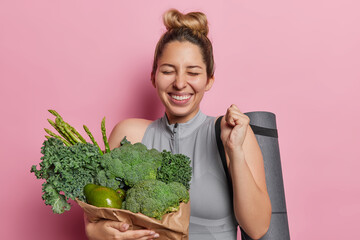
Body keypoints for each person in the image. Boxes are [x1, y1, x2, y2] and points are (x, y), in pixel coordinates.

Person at [85, 8, 271, 240]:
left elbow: (257, 228)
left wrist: (235, 151)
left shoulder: (231, 134)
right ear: (153, 76)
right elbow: (94, 221)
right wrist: (97, 232)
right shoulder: (128, 136)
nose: (180, 83)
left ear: (209, 80)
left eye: (193, 72)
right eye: (168, 71)